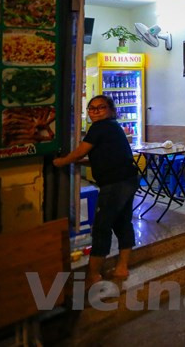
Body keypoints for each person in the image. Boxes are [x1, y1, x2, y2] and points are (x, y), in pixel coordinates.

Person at [53, 94, 139, 285]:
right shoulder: (113, 127)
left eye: (100, 108)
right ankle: (122, 267)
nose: (95, 111)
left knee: (102, 227)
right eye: (92, 108)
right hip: (128, 179)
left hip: (115, 184)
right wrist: (77, 161)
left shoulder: (100, 127)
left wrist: (61, 161)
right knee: (122, 223)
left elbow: (80, 151)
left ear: (111, 110)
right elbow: (103, 157)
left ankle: (93, 275)